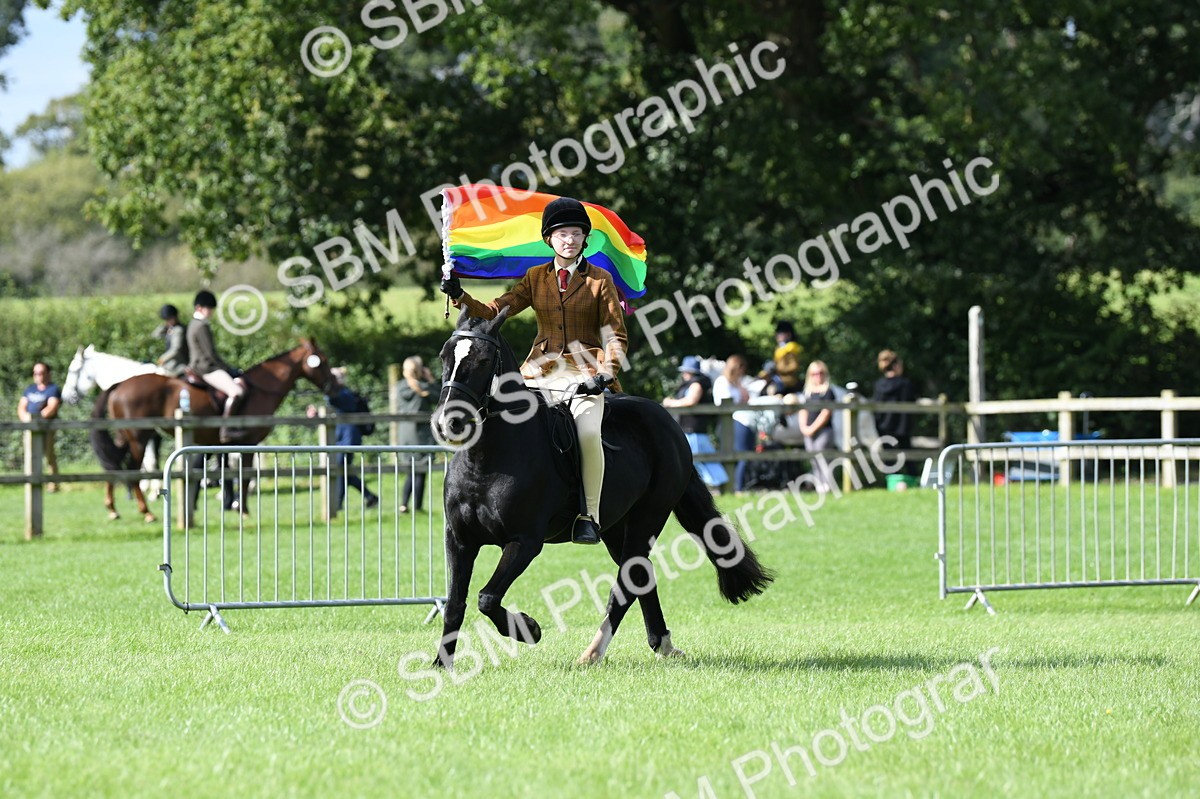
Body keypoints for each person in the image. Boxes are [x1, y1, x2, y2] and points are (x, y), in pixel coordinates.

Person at [440, 197, 627, 545]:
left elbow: (615, 334)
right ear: (549, 240)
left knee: (586, 434)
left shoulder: (600, 281)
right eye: (561, 234)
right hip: (537, 373)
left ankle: (589, 515)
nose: (569, 240)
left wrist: (605, 373)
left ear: (584, 239)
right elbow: (496, 309)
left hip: (584, 375)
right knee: (495, 415)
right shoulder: (535, 277)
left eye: (575, 234)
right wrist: (462, 295)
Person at [186, 289, 246, 442]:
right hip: (206, 369)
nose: (211, 312)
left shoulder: (193, 324)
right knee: (236, 391)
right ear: (199, 307)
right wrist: (229, 369)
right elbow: (211, 354)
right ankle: (226, 430)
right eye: (209, 308)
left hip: (198, 366)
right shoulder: (201, 326)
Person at [664, 355, 728, 489]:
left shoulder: (696, 384)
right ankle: (713, 484)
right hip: (691, 429)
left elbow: (691, 401)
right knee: (700, 459)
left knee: (696, 459)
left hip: (693, 430)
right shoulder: (695, 382)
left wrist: (671, 403)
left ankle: (713, 485)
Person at [326, 367, 379, 515]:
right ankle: (370, 496)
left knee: (342, 469)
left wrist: (326, 388)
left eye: (333, 378)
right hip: (340, 437)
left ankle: (338, 505)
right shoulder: (339, 394)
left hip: (350, 438)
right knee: (344, 471)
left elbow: (336, 402)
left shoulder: (345, 394)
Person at [712, 354, 758, 493]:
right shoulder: (722, 382)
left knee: (744, 454)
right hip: (730, 422)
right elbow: (725, 402)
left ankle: (739, 486)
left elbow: (746, 397)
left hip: (741, 420)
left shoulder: (735, 383)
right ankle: (736, 487)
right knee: (736, 455)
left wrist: (738, 384)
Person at [396, 355, 437, 513]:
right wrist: (431, 380)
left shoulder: (400, 387)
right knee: (420, 471)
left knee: (411, 470)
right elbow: (440, 397)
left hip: (405, 433)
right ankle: (417, 506)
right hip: (421, 434)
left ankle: (404, 503)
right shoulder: (424, 388)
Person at [17, 362, 61, 492]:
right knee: (30, 455)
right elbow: (21, 406)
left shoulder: (53, 389)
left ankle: (53, 484)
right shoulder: (30, 389)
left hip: (47, 427)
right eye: (35, 373)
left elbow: (52, 407)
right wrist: (27, 419)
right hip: (30, 427)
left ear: (48, 374)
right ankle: (32, 482)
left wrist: (38, 419)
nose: (38, 376)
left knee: (49, 454)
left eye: (41, 373)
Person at [873, 349, 918, 474]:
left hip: (884, 427)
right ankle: (912, 480)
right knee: (909, 457)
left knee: (889, 459)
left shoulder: (879, 385)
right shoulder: (905, 384)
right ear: (896, 365)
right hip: (903, 428)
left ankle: (892, 482)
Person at [798, 360, 836, 493]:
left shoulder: (828, 392)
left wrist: (812, 428)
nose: (818, 376)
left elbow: (826, 413)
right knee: (813, 458)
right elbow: (802, 411)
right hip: (808, 432)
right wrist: (804, 428)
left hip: (824, 430)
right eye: (814, 374)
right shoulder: (807, 393)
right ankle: (819, 484)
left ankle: (827, 484)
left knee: (822, 455)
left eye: (820, 373)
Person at [153, 304, 189, 377]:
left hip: (177, 366)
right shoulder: (171, 329)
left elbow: (175, 349)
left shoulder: (179, 330)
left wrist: (162, 359)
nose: (167, 321)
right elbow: (155, 335)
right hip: (170, 365)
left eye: (169, 319)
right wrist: (164, 326)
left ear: (175, 317)